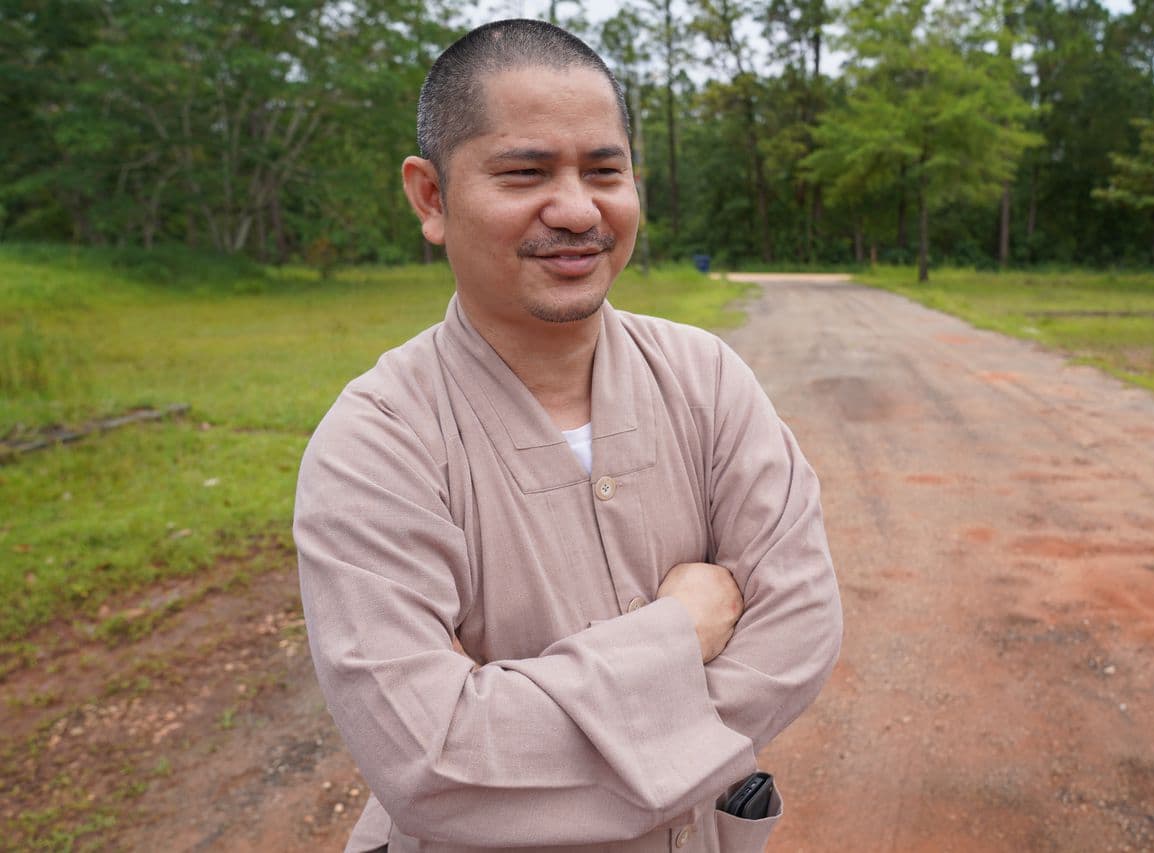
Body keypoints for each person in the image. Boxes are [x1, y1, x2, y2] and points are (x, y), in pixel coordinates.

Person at [294, 19, 842, 853]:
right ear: (431, 197)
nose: (579, 209)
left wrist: (515, 726)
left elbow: (798, 633)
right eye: (525, 172)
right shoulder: (378, 443)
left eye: (604, 171)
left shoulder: (705, 378)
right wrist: (680, 634)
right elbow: (435, 765)